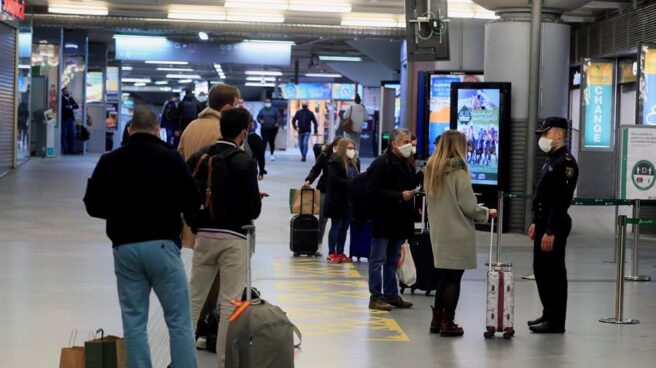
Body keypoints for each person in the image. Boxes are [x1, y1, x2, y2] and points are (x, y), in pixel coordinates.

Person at [83, 106, 201, 368]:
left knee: (134, 321)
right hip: (163, 247)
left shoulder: (110, 160)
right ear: (157, 129)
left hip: (125, 247)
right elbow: (193, 199)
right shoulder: (171, 159)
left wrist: (120, 212)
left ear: (129, 128)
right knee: (179, 321)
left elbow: (93, 205)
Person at [186, 107, 263, 368]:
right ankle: (223, 363)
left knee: (194, 299)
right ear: (243, 132)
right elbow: (253, 209)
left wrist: (196, 225)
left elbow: (185, 197)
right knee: (230, 304)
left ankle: (181, 358)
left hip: (204, 236)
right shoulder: (245, 162)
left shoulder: (200, 157)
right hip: (234, 239)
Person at [423, 130, 497, 337]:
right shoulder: (460, 170)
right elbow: (468, 205)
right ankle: (448, 322)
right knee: (454, 279)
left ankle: (436, 320)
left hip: (439, 232)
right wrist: (485, 212)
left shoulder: (431, 169)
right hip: (457, 232)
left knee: (442, 278)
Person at [528, 117, 579, 334]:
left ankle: (557, 321)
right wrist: (535, 222)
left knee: (554, 273)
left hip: (554, 226)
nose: (542, 138)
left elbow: (561, 201)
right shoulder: (552, 159)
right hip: (543, 223)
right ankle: (548, 313)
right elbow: (542, 195)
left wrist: (550, 230)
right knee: (541, 270)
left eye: (545, 133)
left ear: (558, 135)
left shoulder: (566, 162)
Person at [366, 128, 416, 311]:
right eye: (405, 142)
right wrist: (398, 196)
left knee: (393, 259)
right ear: (394, 144)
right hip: (383, 218)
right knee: (378, 259)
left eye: (410, 141)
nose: (409, 145)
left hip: (399, 219)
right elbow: (372, 191)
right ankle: (375, 297)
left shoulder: (405, 163)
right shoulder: (381, 163)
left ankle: (391, 294)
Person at [178, 84, 241, 163]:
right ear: (227, 108)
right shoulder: (226, 132)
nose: (238, 111)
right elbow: (238, 164)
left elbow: (180, 157)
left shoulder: (190, 126)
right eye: (236, 106)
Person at [304, 136, 344, 247]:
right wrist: (309, 179)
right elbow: (316, 168)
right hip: (325, 189)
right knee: (323, 218)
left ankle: (337, 248)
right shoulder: (326, 154)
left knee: (339, 222)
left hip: (340, 192)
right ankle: (318, 241)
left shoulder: (347, 156)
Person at [324, 138, 360, 263]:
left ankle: (340, 251)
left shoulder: (355, 162)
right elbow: (334, 180)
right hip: (337, 200)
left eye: (353, 148)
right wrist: (351, 183)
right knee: (336, 226)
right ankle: (331, 252)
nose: (352, 151)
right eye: (349, 148)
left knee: (344, 227)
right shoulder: (335, 161)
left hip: (350, 200)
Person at [61, 87, 79, 154]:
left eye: (67, 91)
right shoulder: (61, 99)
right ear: (63, 92)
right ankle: (65, 150)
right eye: (65, 91)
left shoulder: (70, 98)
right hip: (64, 119)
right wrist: (68, 107)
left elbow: (76, 106)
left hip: (71, 119)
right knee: (64, 135)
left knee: (73, 134)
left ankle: (73, 150)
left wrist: (71, 106)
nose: (67, 92)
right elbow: (62, 107)